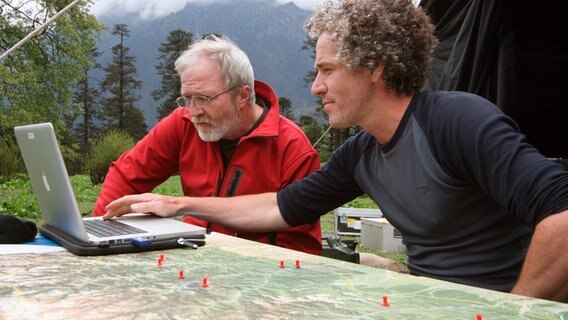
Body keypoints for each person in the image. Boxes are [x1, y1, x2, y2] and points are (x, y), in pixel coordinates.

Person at [103, 0, 568, 302]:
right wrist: (179, 202)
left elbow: (562, 212)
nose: (315, 85)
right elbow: (278, 206)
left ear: (375, 67)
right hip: (431, 304)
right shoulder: (360, 153)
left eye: (327, 69)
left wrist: (517, 307)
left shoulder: (459, 121)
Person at [93, 35, 323, 255]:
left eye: (203, 98)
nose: (193, 111)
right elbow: (127, 174)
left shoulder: (292, 149)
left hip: (252, 271)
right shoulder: (182, 123)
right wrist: (99, 237)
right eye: (187, 98)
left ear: (242, 95)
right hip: (189, 254)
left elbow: (298, 248)